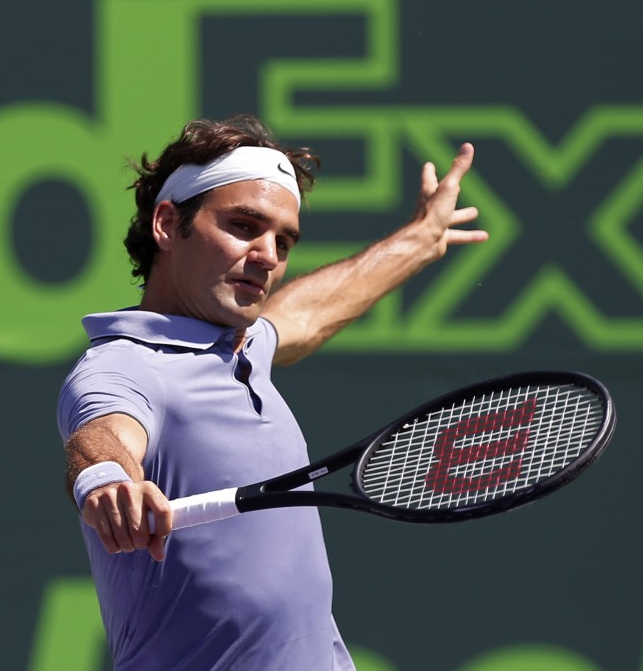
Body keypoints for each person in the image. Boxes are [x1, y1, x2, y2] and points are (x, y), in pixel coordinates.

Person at [57, 114, 487, 670]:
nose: (267, 256)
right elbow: (99, 433)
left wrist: (419, 240)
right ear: (167, 223)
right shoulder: (126, 366)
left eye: (283, 241)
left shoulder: (244, 346)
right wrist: (110, 482)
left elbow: (307, 313)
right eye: (243, 226)